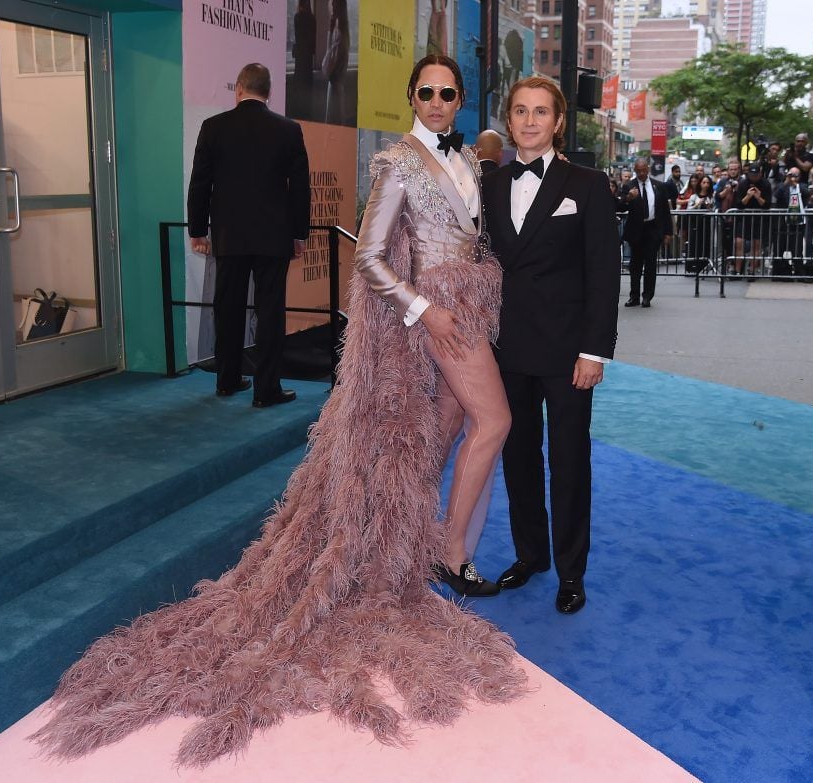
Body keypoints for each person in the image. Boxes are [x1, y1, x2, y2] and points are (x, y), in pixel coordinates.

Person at [34, 55, 525, 767]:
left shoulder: (468, 164)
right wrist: (426, 310)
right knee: (496, 421)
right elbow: (371, 260)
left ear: (461, 98)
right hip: (440, 316)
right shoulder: (396, 163)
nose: (440, 101)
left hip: (468, 306)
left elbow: (468, 236)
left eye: (450, 92)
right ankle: (451, 553)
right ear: (410, 97)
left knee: (438, 436)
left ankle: (416, 551)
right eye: (428, 92)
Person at [481, 76, 619, 614]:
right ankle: (531, 554)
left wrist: (594, 350)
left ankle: (571, 571)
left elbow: (603, 274)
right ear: (509, 119)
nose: (530, 120)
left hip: (567, 354)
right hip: (507, 349)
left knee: (569, 463)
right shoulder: (491, 185)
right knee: (517, 457)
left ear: (558, 122)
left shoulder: (587, 184)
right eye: (520, 111)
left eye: (541, 112)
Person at [187, 64, 309, 407]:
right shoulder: (289, 130)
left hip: (229, 235)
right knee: (270, 311)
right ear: (269, 92)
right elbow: (300, 188)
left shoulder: (213, 128)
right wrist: (299, 234)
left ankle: (226, 379)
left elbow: (200, 184)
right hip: (274, 236)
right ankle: (266, 389)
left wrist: (198, 230)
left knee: (228, 307)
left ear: (238, 89)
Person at [618, 157, 672, 308]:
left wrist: (668, 232)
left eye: (643, 170)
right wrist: (628, 197)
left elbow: (665, 211)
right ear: (635, 170)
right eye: (638, 171)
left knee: (650, 265)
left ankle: (647, 296)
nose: (641, 173)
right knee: (635, 265)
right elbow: (620, 206)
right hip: (636, 230)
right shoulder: (629, 186)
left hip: (653, 229)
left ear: (648, 169)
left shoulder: (659, 186)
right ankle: (634, 296)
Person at [732, 163, 772, 275]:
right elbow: (739, 204)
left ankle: (752, 270)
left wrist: (758, 197)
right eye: (752, 174)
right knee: (739, 242)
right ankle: (737, 270)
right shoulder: (743, 183)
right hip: (744, 218)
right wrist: (748, 196)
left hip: (759, 218)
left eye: (756, 174)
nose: (754, 177)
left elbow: (767, 205)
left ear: (760, 174)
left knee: (756, 244)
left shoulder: (765, 184)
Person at [773, 167, 807, 278]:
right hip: (782, 224)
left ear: (799, 176)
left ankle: (799, 271)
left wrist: (795, 185)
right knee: (779, 248)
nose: (793, 178)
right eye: (791, 175)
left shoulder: (802, 186)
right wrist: (786, 182)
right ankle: (778, 272)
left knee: (797, 249)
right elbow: (776, 195)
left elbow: (806, 193)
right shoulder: (782, 186)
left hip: (797, 224)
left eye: (795, 175)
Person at [321, 0, 349, 124]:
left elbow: (326, 67)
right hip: (336, 88)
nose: (331, 7)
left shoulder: (340, 33)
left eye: (333, 3)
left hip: (335, 89)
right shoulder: (341, 31)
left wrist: (330, 32)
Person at [685, 174, 715, 273]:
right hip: (695, 223)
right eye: (704, 182)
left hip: (707, 224)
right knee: (694, 243)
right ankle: (692, 266)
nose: (706, 185)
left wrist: (709, 207)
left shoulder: (712, 196)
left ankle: (704, 265)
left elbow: (714, 209)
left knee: (705, 243)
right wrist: (698, 204)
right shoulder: (694, 196)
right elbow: (688, 209)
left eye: (707, 183)